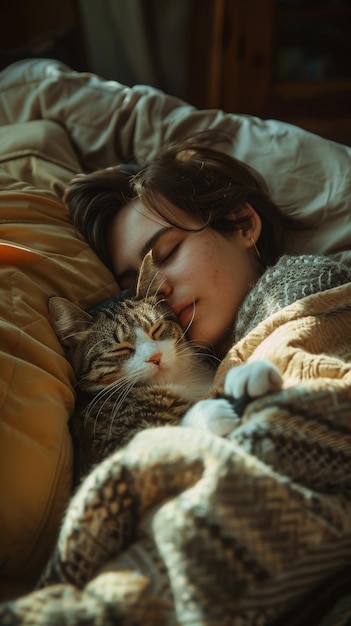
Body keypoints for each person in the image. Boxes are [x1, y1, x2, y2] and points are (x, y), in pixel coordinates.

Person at [65, 133, 304, 359]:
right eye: (132, 286)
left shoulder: (306, 298)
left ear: (241, 223)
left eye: (168, 253)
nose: (153, 294)